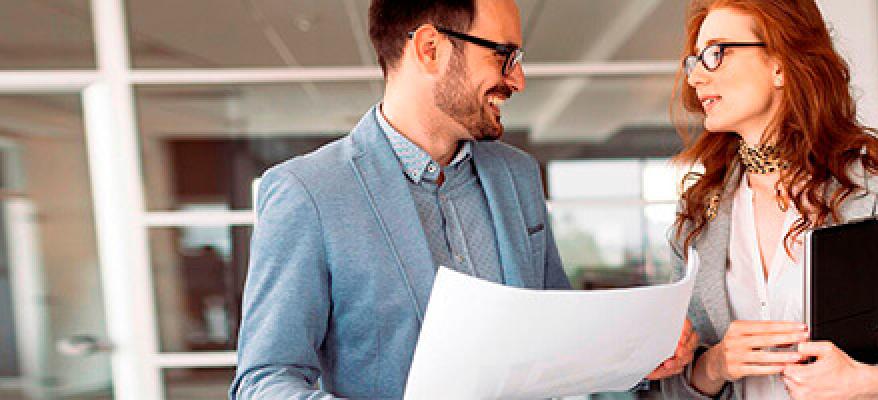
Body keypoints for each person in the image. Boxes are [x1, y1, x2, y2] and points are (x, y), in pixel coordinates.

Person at [230, 0, 694, 397]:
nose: (519, 80)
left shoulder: (518, 176)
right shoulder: (307, 192)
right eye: (504, 55)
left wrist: (633, 353)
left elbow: (555, 333)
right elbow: (264, 379)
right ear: (430, 49)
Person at [657, 0, 878, 398]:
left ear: (780, 64)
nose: (697, 77)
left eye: (717, 53)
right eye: (695, 60)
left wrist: (868, 382)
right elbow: (669, 383)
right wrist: (715, 364)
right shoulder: (696, 218)